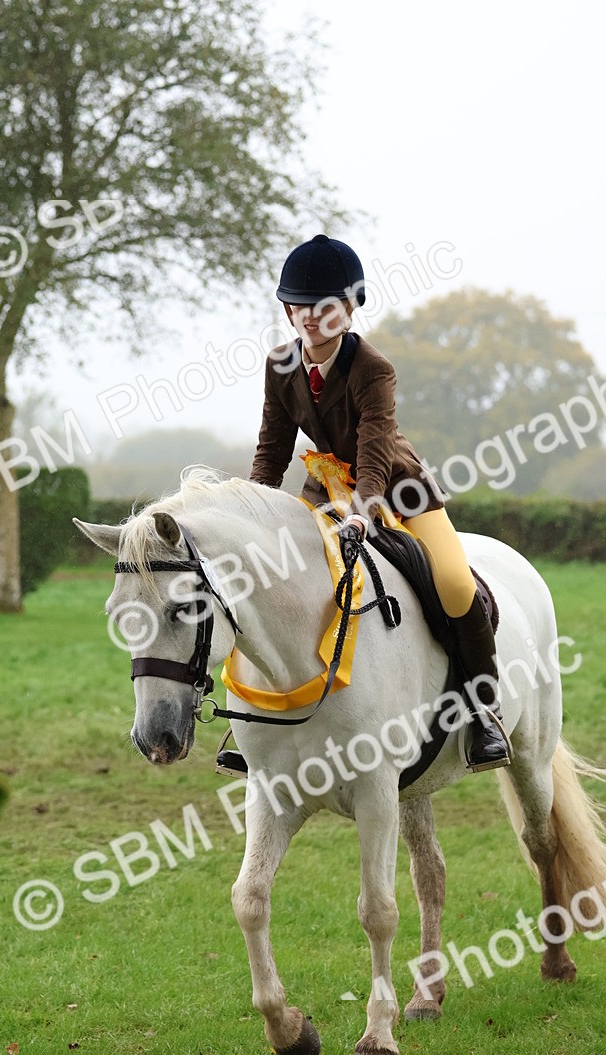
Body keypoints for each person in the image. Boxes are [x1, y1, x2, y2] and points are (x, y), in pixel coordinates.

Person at [221, 233, 510, 775]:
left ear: (350, 309)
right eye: (301, 305)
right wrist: (252, 508)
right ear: (287, 308)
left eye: (326, 307)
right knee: (264, 576)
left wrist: (365, 504)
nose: (311, 317)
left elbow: (376, 442)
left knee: (453, 584)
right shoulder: (280, 365)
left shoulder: (372, 368)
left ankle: (484, 711)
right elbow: (273, 447)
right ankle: (248, 722)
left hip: (396, 488)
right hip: (322, 487)